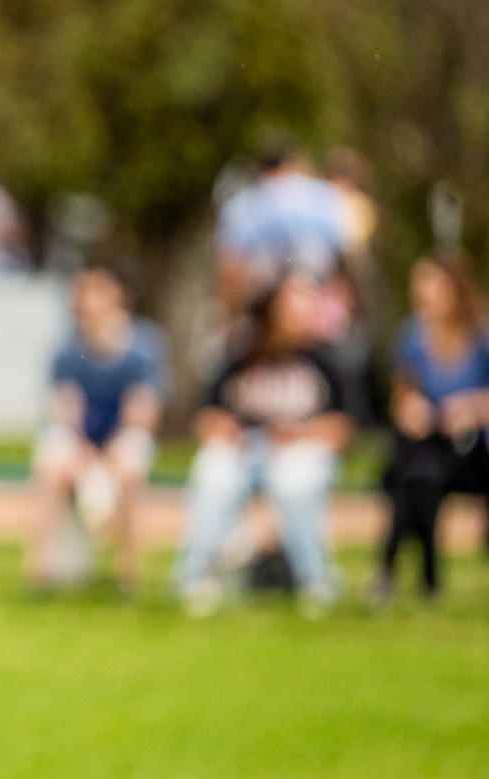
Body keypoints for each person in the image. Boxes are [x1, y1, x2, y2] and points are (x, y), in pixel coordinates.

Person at [175, 270, 352, 617]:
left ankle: (316, 579)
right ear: (273, 308)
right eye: (296, 301)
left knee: (294, 482)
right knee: (214, 474)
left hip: (300, 450)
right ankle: (193, 577)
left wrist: (298, 435)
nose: (305, 309)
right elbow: (204, 415)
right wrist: (225, 430)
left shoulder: (328, 359)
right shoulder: (240, 353)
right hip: (245, 450)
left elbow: (343, 429)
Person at [29, 263, 168, 592]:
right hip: (81, 444)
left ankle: (127, 575)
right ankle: (40, 571)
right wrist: (86, 459)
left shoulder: (143, 347)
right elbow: (64, 412)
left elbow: (142, 413)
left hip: (120, 440)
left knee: (130, 464)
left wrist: (107, 462)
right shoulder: (67, 348)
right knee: (51, 462)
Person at [374, 255, 489, 603]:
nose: (421, 292)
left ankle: (393, 570)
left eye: (430, 282)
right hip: (432, 445)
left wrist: (470, 408)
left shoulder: (481, 337)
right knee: (418, 472)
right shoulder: (412, 336)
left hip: (474, 448)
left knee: (415, 474)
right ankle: (425, 580)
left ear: (455, 289)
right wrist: (413, 410)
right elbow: (401, 396)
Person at [215, 144, 346, 319]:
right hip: (320, 310)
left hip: (263, 315)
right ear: (296, 163)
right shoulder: (326, 197)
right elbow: (346, 256)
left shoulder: (241, 205)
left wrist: (232, 320)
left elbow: (231, 271)